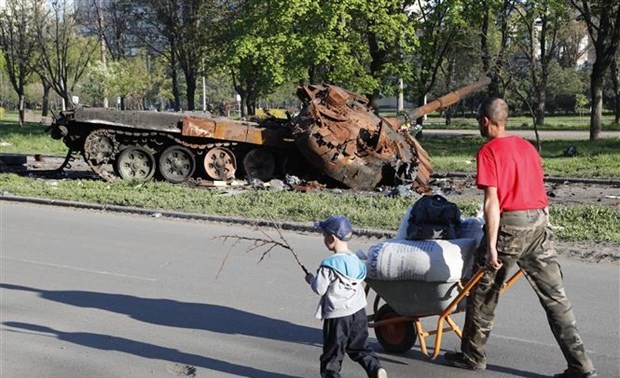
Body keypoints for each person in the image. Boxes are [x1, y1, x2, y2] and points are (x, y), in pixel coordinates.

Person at [443, 97, 597, 378]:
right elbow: (540, 190)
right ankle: (582, 366)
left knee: (483, 290)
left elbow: (492, 203)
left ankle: (472, 356)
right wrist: (545, 225)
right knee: (555, 297)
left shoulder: (488, 151)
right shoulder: (527, 147)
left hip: (511, 226)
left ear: (485, 121)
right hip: (538, 224)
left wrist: (490, 248)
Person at [305, 215, 387, 378]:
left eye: (324, 236)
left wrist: (311, 279)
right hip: (358, 312)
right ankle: (375, 368)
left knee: (332, 354)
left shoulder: (328, 264)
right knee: (359, 347)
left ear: (332, 238)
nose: (324, 239)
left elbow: (319, 289)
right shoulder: (356, 259)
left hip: (338, 316)